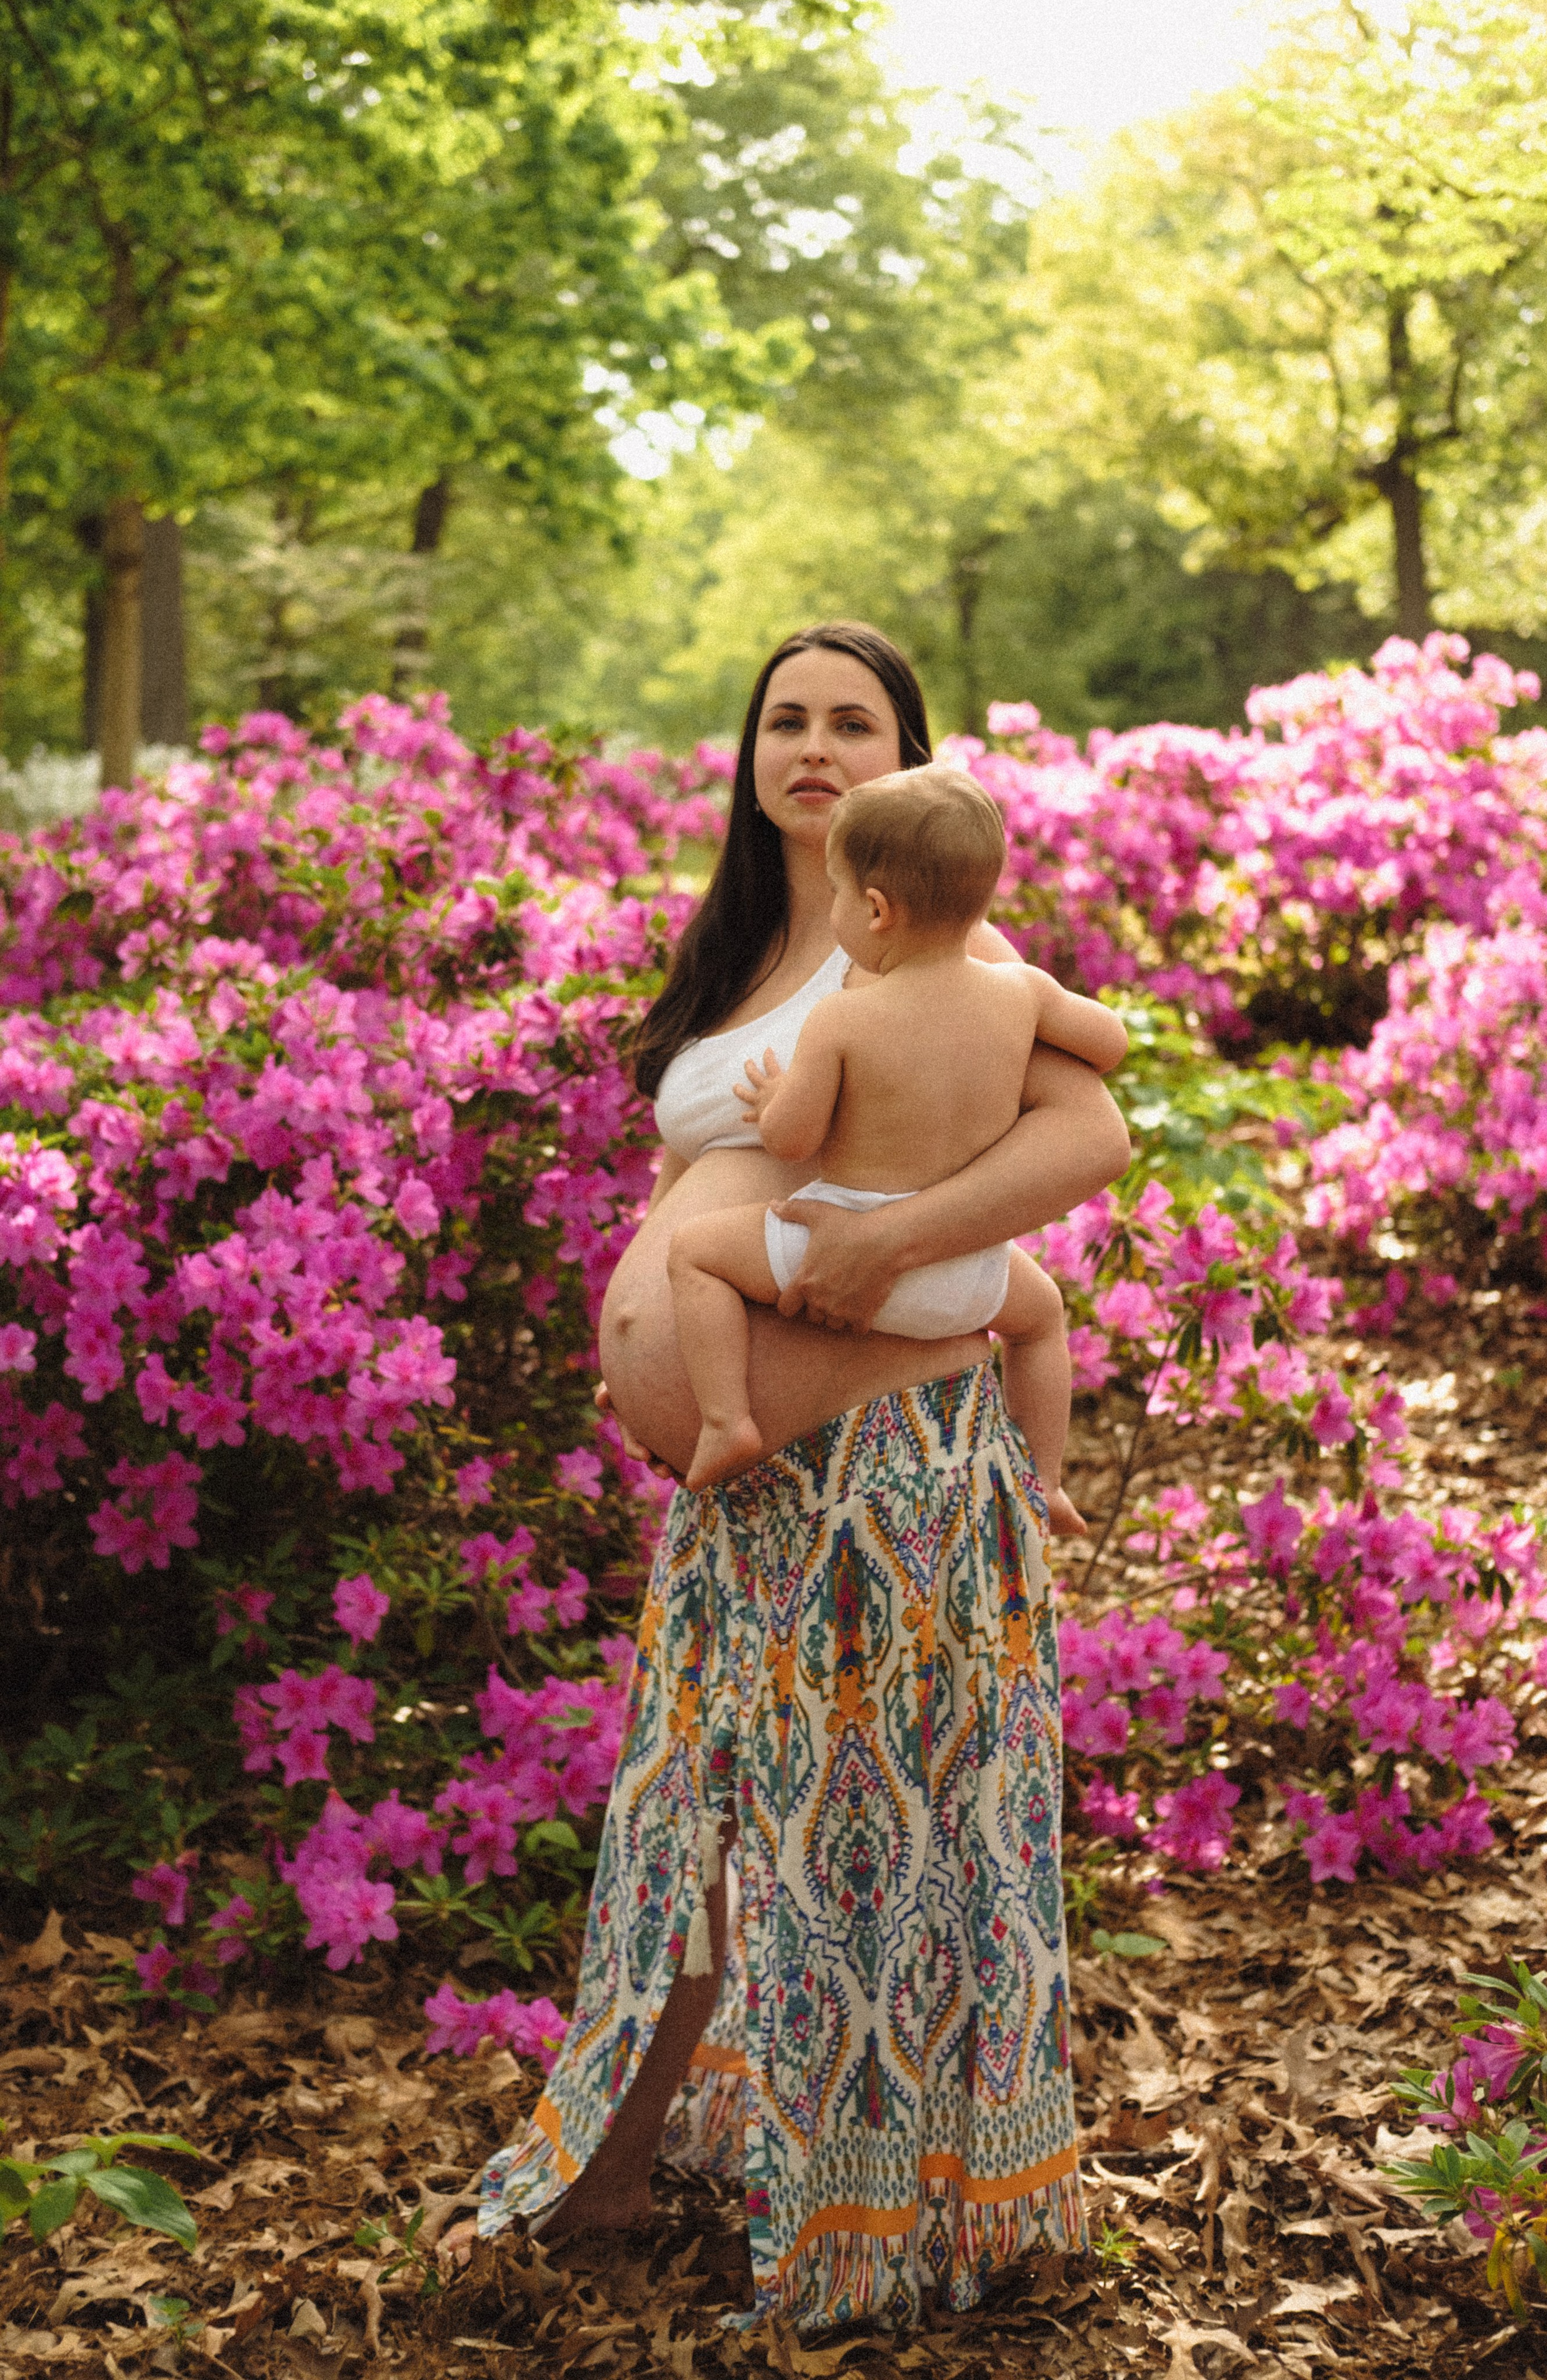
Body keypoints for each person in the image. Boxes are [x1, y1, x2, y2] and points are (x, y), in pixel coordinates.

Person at [470, 621, 1131, 2334]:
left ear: (910, 752)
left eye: (856, 718)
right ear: (748, 751)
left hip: (888, 1460)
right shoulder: (759, 946)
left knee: (875, 1846)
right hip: (743, 1477)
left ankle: (906, 2212)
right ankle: (614, 2156)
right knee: (695, 1818)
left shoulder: (936, 933)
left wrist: (892, 1242)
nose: (816, 743)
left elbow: (1092, 1133)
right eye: (787, 717)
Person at [666, 763, 1128, 1512]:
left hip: (838, 1247)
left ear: (875, 910)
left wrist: (773, 1098)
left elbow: (790, 1141)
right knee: (1041, 1321)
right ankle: (1044, 1480)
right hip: (968, 1277)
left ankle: (726, 1420)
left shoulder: (844, 1018)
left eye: (839, 892)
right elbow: (1108, 1043)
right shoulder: (1022, 993)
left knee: (695, 1254)